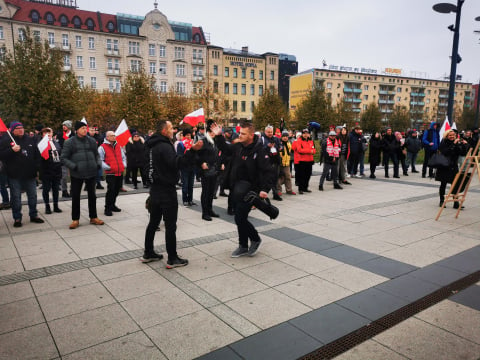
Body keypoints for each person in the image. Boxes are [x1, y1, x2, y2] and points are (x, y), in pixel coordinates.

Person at [142, 120, 201, 267]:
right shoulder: (164, 146)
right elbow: (177, 163)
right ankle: (172, 258)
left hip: (154, 190)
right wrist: (193, 151)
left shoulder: (150, 144)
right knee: (170, 225)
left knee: (153, 222)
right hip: (166, 190)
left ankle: (148, 252)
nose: (173, 130)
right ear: (163, 131)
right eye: (170, 128)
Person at [211, 121, 274, 257]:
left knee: (240, 218)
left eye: (243, 134)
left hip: (250, 191)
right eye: (240, 133)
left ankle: (254, 240)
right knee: (240, 218)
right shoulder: (238, 146)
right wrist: (219, 136)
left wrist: (265, 189)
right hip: (236, 188)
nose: (240, 135)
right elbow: (225, 149)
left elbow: (268, 171)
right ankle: (243, 246)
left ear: (251, 135)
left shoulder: (259, 150)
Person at [61, 121, 104, 229]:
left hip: (91, 172)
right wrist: (74, 166)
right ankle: (75, 219)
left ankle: (93, 217)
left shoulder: (92, 141)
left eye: (86, 128)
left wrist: (98, 164)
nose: (85, 130)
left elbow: (97, 155)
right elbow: (64, 158)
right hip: (77, 174)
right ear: (77, 130)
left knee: (92, 196)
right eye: (82, 128)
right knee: (76, 196)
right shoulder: (70, 142)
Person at [0, 122, 44, 227]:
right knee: (16, 198)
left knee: (32, 196)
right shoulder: (6, 140)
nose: (21, 130)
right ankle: (17, 218)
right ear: (12, 130)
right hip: (14, 175)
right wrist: (11, 150)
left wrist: (37, 168)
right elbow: (1, 155)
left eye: (22, 128)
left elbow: (37, 154)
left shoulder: (30, 139)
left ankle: (33, 215)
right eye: (18, 128)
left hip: (30, 174)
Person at [436, 129, 468, 208]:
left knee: (455, 184)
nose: (452, 137)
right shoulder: (443, 142)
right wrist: (454, 144)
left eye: (453, 135)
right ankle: (442, 201)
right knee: (443, 184)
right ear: (447, 136)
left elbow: (462, 153)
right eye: (450, 135)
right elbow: (446, 152)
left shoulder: (457, 143)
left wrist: (465, 145)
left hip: (453, 167)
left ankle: (456, 202)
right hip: (445, 166)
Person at [196, 121, 220, 221]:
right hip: (205, 171)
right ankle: (205, 212)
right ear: (209, 132)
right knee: (205, 192)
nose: (215, 134)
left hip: (214, 169)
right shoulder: (203, 141)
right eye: (213, 132)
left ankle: (210, 210)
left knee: (211, 191)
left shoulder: (214, 141)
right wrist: (201, 163)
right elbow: (196, 154)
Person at [99, 131, 126, 216]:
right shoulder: (102, 147)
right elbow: (100, 160)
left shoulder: (119, 146)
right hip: (111, 173)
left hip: (119, 172)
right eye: (112, 135)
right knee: (111, 190)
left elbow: (123, 157)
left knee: (117, 189)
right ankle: (107, 208)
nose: (114, 137)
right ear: (107, 137)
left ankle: (113, 205)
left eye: (114, 135)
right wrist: (109, 167)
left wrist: (124, 165)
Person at [39, 128, 62, 214]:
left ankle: (56, 205)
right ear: (42, 134)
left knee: (56, 189)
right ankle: (47, 206)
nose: (48, 134)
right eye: (46, 132)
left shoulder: (56, 143)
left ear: (52, 133)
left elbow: (60, 153)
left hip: (56, 169)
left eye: (50, 132)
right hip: (46, 170)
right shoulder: (41, 144)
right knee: (46, 189)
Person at [261, 125, 283, 201]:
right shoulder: (262, 139)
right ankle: (262, 195)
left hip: (275, 160)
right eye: (268, 132)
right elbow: (260, 149)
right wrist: (268, 147)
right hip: (267, 161)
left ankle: (275, 194)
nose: (270, 133)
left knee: (275, 179)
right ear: (265, 132)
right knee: (266, 179)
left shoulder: (276, 138)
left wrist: (280, 147)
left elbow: (280, 145)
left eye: (271, 132)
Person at [177, 128, 196, 207]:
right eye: (187, 135)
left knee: (191, 185)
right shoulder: (181, 144)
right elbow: (179, 157)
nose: (189, 136)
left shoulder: (192, 143)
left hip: (192, 166)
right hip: (185, 167)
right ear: (184, 136)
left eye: (189, 135)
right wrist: (187, 151)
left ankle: (190, 200)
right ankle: (185, 200)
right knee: (185, 184)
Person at [293, 129, 315, 194]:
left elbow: (314, 150)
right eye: (304, 133)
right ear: (302, 134)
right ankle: (300, 188)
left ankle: (305, 187)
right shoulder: (298, 141)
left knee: (308, 175)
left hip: (310, 160)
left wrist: (309, 151)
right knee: (301, 175)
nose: (306, 134)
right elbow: (299, 150)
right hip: (302, 161)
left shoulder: (311, 141)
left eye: (307, 133)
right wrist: (309, 151)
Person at [58, 120, 74, 198]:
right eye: (63, 125)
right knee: (64, 176)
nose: (63, 127)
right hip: (63, 158)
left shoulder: (74, 135)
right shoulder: (60, 135)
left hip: (72, 158)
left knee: (73, 175)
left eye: (65, 125)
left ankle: (72, 190)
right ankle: (64, 190)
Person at [277, 131, 296, 195]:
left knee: (288, 177)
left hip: (287, 163)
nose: (285, 138)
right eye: (284, 136)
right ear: (281, 137)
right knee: (279, 177)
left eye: (286, 136)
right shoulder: (279, 143)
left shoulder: (288, 143)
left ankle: (289, 190)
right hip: (279, 163)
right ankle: (278, 190)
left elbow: (289, 153)